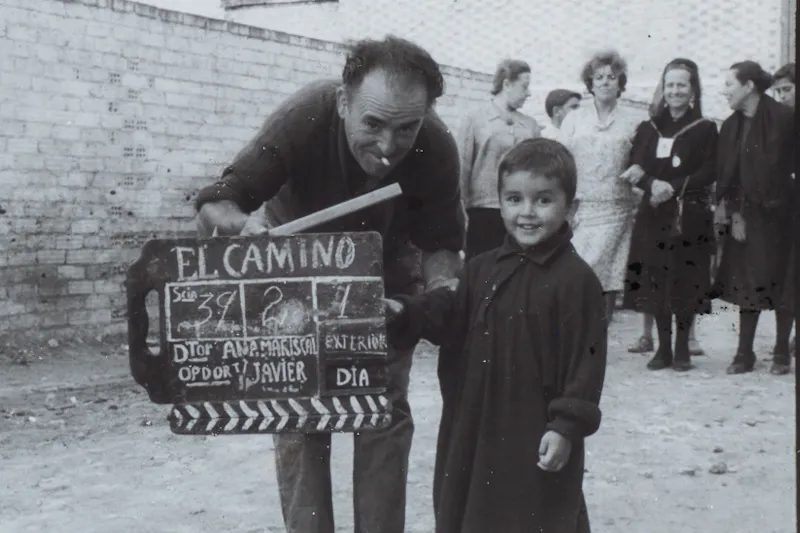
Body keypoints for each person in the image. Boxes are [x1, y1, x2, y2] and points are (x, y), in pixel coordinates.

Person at [193, 36, 465, 533]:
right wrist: (242, 228)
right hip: (295, 283)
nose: (387, 147)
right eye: (373, 124)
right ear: (343, 101)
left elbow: (441, 244)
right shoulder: (306, 114)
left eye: (406, 128)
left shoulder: (437, 146)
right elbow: (219, 201)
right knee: (299, 418)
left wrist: (439, 292)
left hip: (382, 284)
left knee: (381, 412)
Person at [384, 138, 607, 533]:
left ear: (570, 207)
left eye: (543, 200)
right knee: (472, 508)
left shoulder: (576, 281)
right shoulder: (482, 268)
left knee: (537, 510)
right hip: (474, 421)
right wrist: (407, 311)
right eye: (514, 199)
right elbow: (448, 313)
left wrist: (565, 428)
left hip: (533, 428)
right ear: (499, 202)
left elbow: (585, 365)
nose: (527, 213)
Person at [621, 58, 718, 371]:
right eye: (670, 85)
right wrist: (653, 184)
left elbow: (708, 170)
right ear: (662, 89)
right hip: (654, 215)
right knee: (657, 279)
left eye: (682, 85)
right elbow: (635, 164)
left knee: (684, 280)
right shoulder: (648, 128)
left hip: (687, 217)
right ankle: (662, 348)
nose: (675, 91)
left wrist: (673, 187)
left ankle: (682, 348)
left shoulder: (704, 129)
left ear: (692, 91)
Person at [712, 60, 795, 375]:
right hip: (746, 217)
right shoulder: (731, 125)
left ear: (749, 86)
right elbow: (727, 175)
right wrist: (735, 215)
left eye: (729, 85)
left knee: (785, 281)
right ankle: (744, 353)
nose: (725, 91)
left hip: (783, 215)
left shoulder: (785, 118)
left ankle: (780, 352)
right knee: (748, 283)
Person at [559, 49, 641, 320]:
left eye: (612, 77)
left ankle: (599, 332)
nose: (605, 81)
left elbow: (641, 160)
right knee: (579, 267)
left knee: (607, 272)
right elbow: (561, 161)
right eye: (599, 77)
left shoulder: (632, 121)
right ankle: (575, 329)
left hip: (617, 206)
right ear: (590, 83)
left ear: (620, 83)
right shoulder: (574, 119)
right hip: (581, 207)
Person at [457, 59, 541, 260]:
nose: (528, 93)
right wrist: (460, 209)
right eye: (524, 86)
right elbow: (462, 167)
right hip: (483, 212)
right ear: (507, 84)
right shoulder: (475, 118)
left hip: (520, 212)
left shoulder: (530, 126)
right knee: (481, 271)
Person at [772, 62, 796, 364]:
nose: (781, 97)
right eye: (777, 91)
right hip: (788, 212)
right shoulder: (781, 123)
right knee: (788, 278)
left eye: (787, 90)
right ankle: (783, 345)